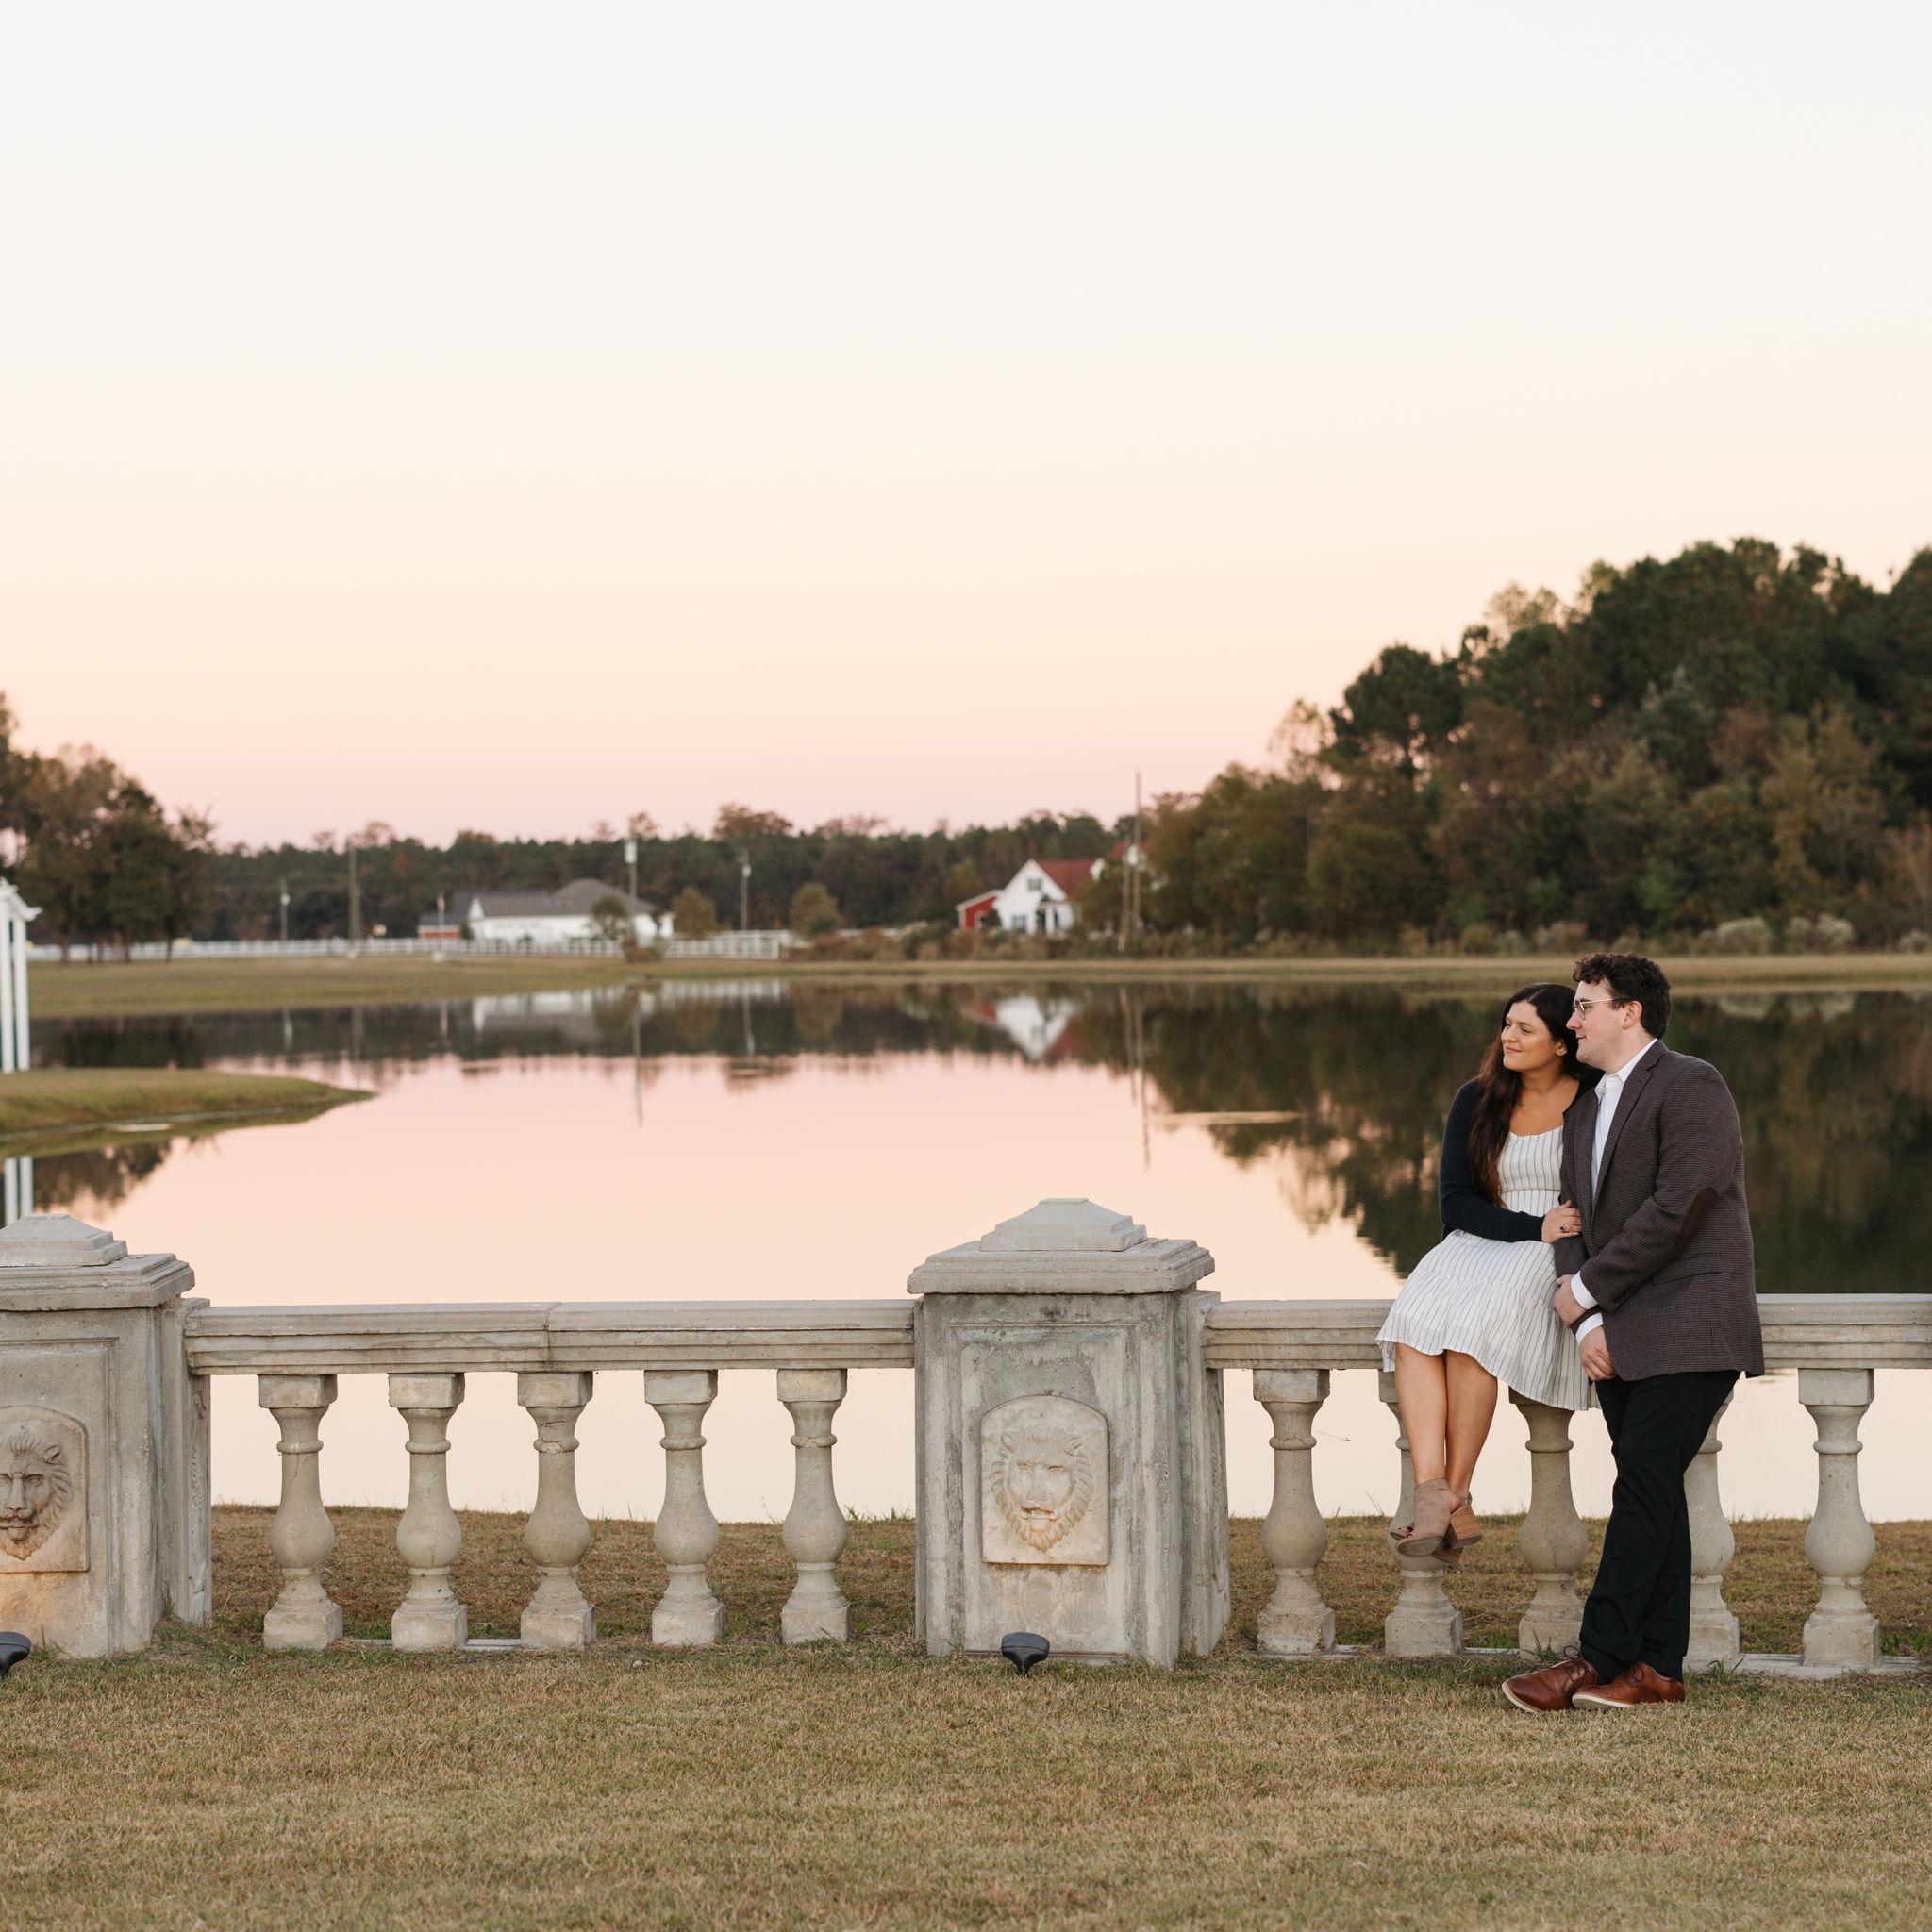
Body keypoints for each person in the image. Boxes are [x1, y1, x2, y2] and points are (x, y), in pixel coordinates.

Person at [1503, 952, 1765, 1713]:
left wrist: (1587, 1290)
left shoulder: (1692, 1084)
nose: (1573, 1020)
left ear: (1631, 1012)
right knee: (1656, 1494)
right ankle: (1657, 1670)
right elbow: (1569, 1219)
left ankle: (1595, 1658)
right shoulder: (1585, 1107)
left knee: (1644, 1484)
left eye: (1585, 1006)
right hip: (1616, 1329)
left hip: (1692, 1323)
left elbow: (1682, 1207)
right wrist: (1588, 1318)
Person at [1375, 983, 1592, 1560]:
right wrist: (1530, 1224)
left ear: (1562, 1043)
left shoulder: (1593, 1098)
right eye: (1506, 1024)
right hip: (1480, 1236)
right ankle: (1435, 1493)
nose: (1508, 1037)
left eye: (1525, 1028)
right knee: (1413, 1325)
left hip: (1552, 1245)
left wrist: (1551, 1232)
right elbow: (1455, 1203)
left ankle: (1456, 1489)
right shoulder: (1477, 1098)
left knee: (1472, 1335)